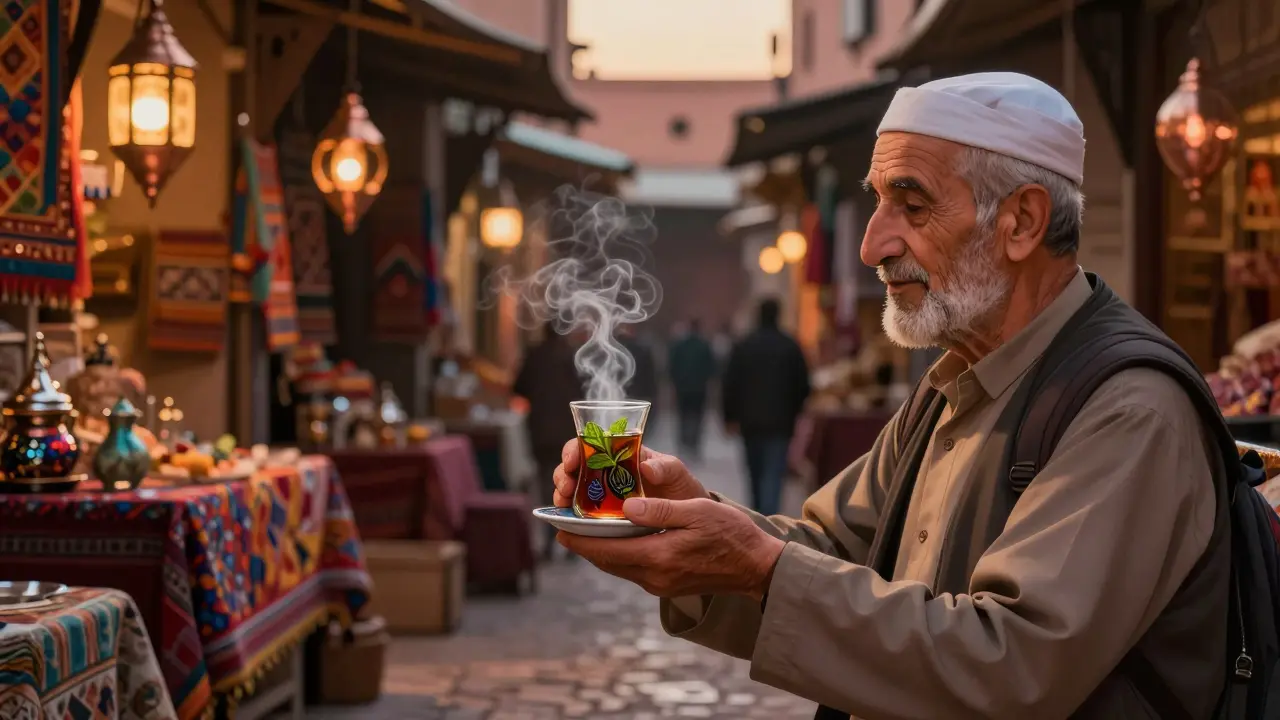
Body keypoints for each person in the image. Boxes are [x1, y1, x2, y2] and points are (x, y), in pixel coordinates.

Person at [551, 73, 1233, 718]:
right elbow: (832, 550)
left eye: (912, 206)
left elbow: (1015, 664)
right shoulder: (954, 384)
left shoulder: (1129, 409)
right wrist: (682, 520)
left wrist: (759, 566)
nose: (873, 245)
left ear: (1022, 222)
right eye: (878, 203)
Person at [721, 299, 810, 516]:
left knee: (754, 472)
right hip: (780, 422)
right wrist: (795, 411)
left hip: (750, 422)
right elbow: (803, 385)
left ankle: (757, 513)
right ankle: (768, 518)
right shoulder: (790, 346)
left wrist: (729, 417)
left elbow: (730, 383)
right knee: (773, 473)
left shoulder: (744, 345)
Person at [511, 321, 581, 561]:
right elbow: (583, 393)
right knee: (571, 484)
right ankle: (571, 540)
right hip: (568, 432)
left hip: (540, 430)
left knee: (545, 485)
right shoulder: (572, 356)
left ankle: (550, 540)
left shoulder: (534, 355)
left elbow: (518, 388)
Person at [666, 318, 717, 460]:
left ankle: (684, 442)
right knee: (697, 417)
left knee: (683, 416)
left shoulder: (680, 345)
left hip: (682, 388)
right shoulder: (704, 346)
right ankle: (694, 444)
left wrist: (674, 383)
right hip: (699, 388)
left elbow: (672, 366)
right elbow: (712, 368)